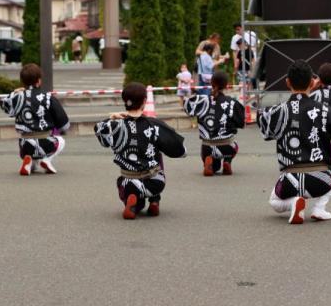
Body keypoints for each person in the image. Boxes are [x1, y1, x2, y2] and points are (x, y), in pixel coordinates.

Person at [258, 60, 331, 224]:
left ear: (287, 82)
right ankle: (319, 208)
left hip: (289, 181)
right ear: (312, 83)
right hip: (321, 180)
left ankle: (293, 202)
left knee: (274, 202)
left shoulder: (278, 111)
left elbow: (263, 122)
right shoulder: (325, 111)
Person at [94, 82, 187, 220]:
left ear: (125, 101)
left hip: (128, 183)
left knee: (131, 194)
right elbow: (177, 148)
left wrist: (112, 117)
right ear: (144, 101)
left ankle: (133, 202)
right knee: (157, 154)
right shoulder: (154, 124)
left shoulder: (116, 126)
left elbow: (99, 129)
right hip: (154, 183)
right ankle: (154, 200)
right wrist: (182, 151)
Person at [0, 63, 70, 176]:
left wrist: (14, 93)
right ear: (39, 81)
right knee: (61, 141)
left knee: (30, 150)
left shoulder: (19, 97)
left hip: (25, 145)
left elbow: (4, 104)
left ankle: (28, 163)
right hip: (46, 143)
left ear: (22, 81)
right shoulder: (48, 97)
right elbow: (64, 125)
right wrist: (58, 130)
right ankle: (46, 160)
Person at [183, 70, 244, 176]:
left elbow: (187, 105)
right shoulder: (232, 103)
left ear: (211, 83)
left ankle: (209, 160)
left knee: (214, 167)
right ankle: (227, 161)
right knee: (235, 146)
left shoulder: (202, 101)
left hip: (207, 147)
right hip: (226, 146)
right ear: (226, 85)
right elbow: (241, 123)